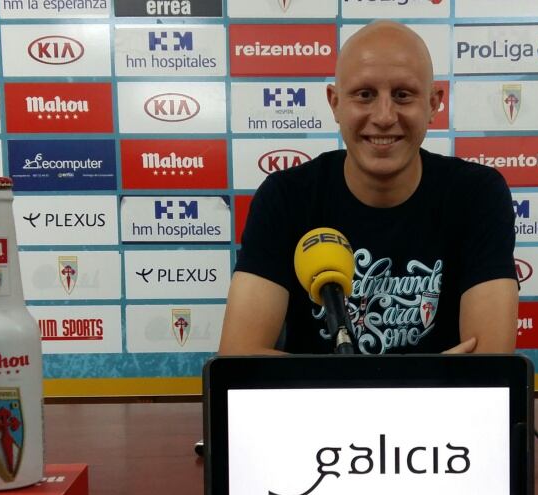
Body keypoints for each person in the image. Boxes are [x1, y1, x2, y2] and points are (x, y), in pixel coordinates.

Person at [219, 20, 518, 356]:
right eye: (365, 95)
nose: (384, 116)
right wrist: (424, 379)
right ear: (335, 102)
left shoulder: (477, 195)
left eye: (403, 95)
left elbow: (489, 365)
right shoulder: (286, 196)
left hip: (441, 411)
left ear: (434, 104)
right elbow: (238, 357)